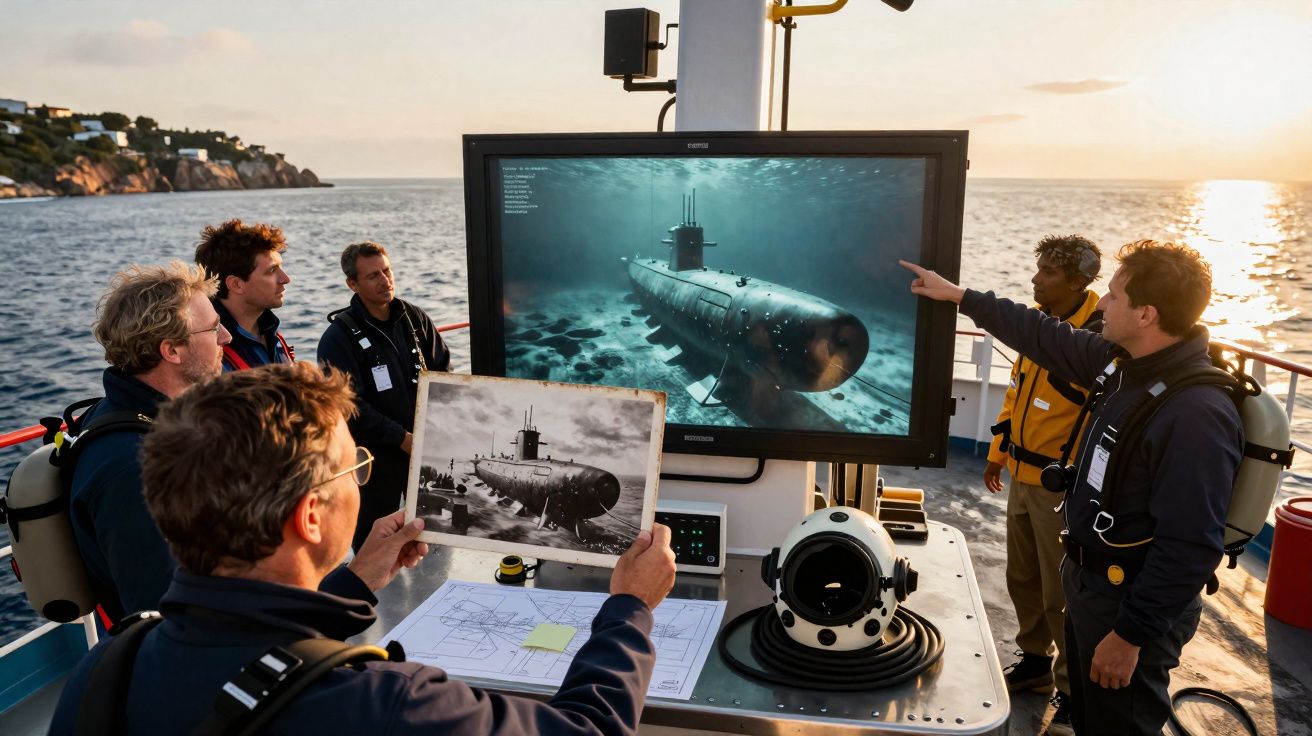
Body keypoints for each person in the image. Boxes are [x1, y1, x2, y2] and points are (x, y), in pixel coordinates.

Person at [50, 362, 677, 735]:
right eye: (354, 470)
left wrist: (357, 580)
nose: (361, 483)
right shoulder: (386, 706)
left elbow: (255, 629)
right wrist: (630, 607)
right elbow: (589, 729)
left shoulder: (107, 670)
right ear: (312, 515)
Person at [901, 241, 1242, 735]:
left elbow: (1190, 547)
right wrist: (959, 296)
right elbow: (1041, 334)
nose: (1102, 304)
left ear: (1146, 314)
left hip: (1128, 605)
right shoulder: (1120, 367)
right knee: (1089, 717)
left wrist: (1129, 637)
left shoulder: (1196, 415)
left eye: (1115, 296)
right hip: (1090, 586)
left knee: (1118, 725)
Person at [69, 262, 421, 624]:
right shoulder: (129, 469)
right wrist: (355, 582)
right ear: (171, 350)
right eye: (212, 328)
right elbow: (193, 633)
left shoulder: (159, 423)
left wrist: (358, 574)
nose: (226, 337)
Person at [984, 235, 1102, 735]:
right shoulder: (1045, 330)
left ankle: (1073, 691)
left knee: (1061, 594)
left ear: (1077, 282)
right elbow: (1017, 392)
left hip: (1061, 489)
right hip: (1021, 475)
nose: (1034, 279)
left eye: (1047, 273)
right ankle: (1034, 661)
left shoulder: (1092, 342)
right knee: (1023, 577)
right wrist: (997, 454)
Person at [318, 241, 451, 550]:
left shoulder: (415, 320)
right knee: (372, 547)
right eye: (373, 276)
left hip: (424, 453)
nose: (385, 280)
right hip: (375, 461)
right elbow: (349, 407)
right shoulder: (338, 338)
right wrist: (401, 437)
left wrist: (437, 431)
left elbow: (443, 374)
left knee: (435, 543)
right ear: (353, 283)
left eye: (387, 271)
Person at [193, 219, 294, 370]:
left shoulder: (270, 331)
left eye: (281, 267)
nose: (285, 279)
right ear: (236, 284)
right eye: (272, 270)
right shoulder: (210, 356)